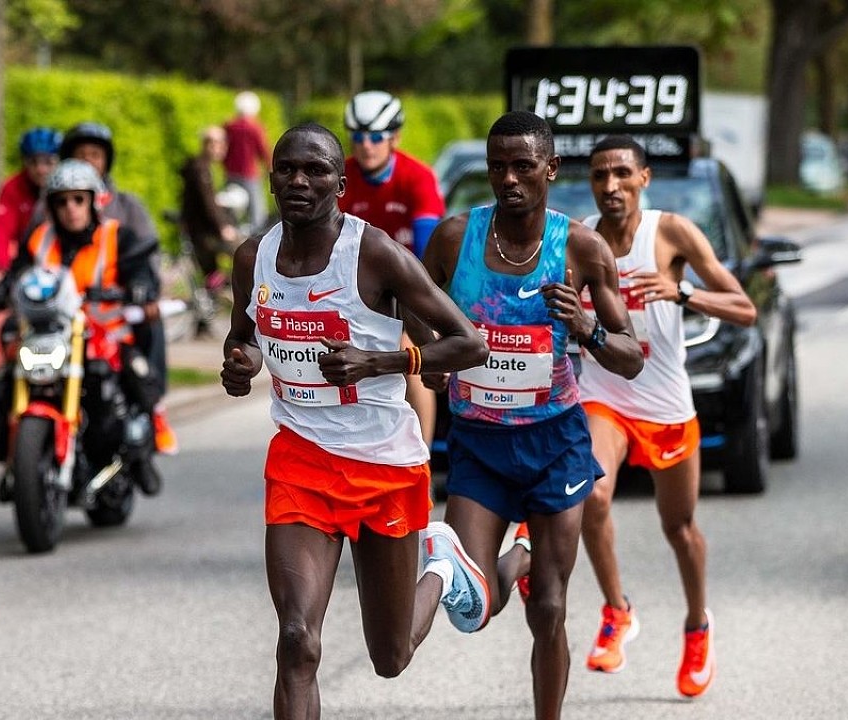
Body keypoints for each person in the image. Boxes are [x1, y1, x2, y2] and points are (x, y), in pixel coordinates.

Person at [220, 123, 491, 719]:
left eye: (316, 170)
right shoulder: (253, 257)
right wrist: (240, 363)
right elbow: (244, 336)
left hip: (383, 466)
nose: (299, 180)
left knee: (391, 656)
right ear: (270, 180)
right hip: (301, 460)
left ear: (340, 186)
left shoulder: (373, 253)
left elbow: (469, 343)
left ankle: (443, 567)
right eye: (287, 168)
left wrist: (380, 361)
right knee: (297, 639)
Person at [416, 111, 644, 720]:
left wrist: (587, 327)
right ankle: (520, 550)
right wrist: (430, 358)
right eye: (498, 167)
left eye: (523, 166)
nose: (509, 179)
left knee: (547, 606)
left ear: (551, 168)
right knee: (473, 604)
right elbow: (409, 302)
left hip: (554, 446)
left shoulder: (582, 249)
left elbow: (630, 359)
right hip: (479, 444)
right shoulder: (455, 239)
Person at [575, 134, 756, 697]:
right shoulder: (579, 240)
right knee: (593, 496)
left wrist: (682, 293)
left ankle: (697, 625)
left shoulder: (671, 231)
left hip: (665, 405)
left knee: (678, 528)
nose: (611, 186)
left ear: (643, 178)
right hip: (604, 396)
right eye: (600, 175)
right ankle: (616, 611)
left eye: (622, 174)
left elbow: (745, 309)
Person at [0, 159, 164, 496]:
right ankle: (12, 455)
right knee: (5, 376)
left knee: (137, 377)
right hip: (48, 333)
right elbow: (18, 274)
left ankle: (140, 455)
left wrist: (140, 287)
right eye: (62, 201)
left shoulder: (116, 235)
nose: (70, 208)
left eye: (78, 199)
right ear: (51, 206)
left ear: (94, 201)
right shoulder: (39, 239)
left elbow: (140, 270)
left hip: (104, 335)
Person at [54, 121, 175, 453]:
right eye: (80, 155)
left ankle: (153, 409)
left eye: (95, 155)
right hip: (58, 317)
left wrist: (142, 289)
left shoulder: (127, 208)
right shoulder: (49, 209)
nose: (70, 209)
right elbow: (29, 255)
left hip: (114, 313)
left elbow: (145, 256)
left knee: (147, 328)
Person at [338, 90, 446, 448]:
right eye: (358, 137)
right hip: (352, 291)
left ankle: (422, 456)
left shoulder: (418, 177)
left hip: (406, 288)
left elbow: (427, 252)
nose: (366, 145)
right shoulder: (341, 178)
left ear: (395, 138)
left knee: (410, 357)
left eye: (376, 137)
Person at [0, 127, 62, 269]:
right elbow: (0, 233)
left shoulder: (68, 189)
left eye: (48, 162)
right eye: (33, 162)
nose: (40, 169)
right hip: (25, 262)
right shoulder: (12, 188)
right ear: (24, 162)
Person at [179, 125, 239, 289]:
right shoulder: (201, 170)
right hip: (203, 232)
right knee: (242, 251)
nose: (224, 148)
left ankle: (218, 286)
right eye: (221, 144)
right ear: (210, 145)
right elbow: (208, 203)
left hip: (201, 230)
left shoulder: (203, 167)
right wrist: (223, 227)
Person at [223, 90, 271, 230]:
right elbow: (263, 150)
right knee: (257, 213)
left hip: (231, 173)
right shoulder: (255, 128)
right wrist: (270, 168)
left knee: (231, 209)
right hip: (250, 174)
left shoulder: (229, 126)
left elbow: (223, 150)